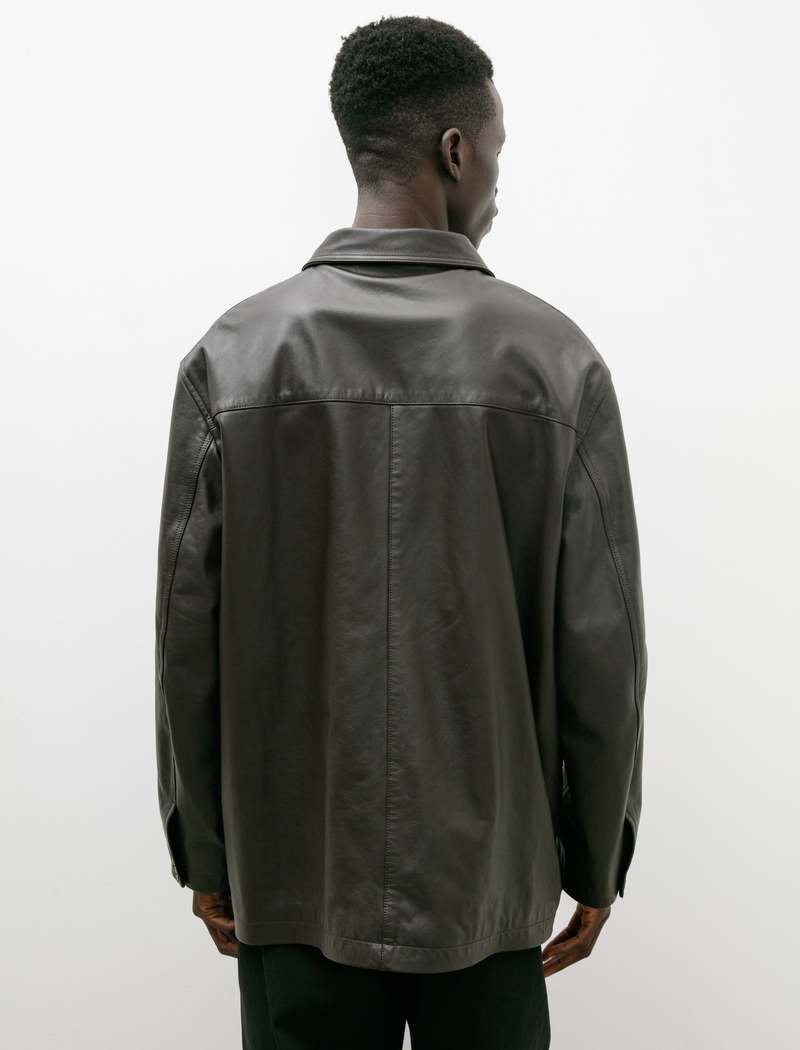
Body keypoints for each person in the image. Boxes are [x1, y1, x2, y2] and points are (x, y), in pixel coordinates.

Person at [154, 15, 647, 1050]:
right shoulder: (555, 362)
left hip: (293, 879)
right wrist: (596, 857)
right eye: (496, 150)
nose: (498, 181)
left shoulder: (234, 357)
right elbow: (600, 652)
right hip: (489, 888)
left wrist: (207, 853)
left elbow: (186, 639)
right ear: (455, 151)